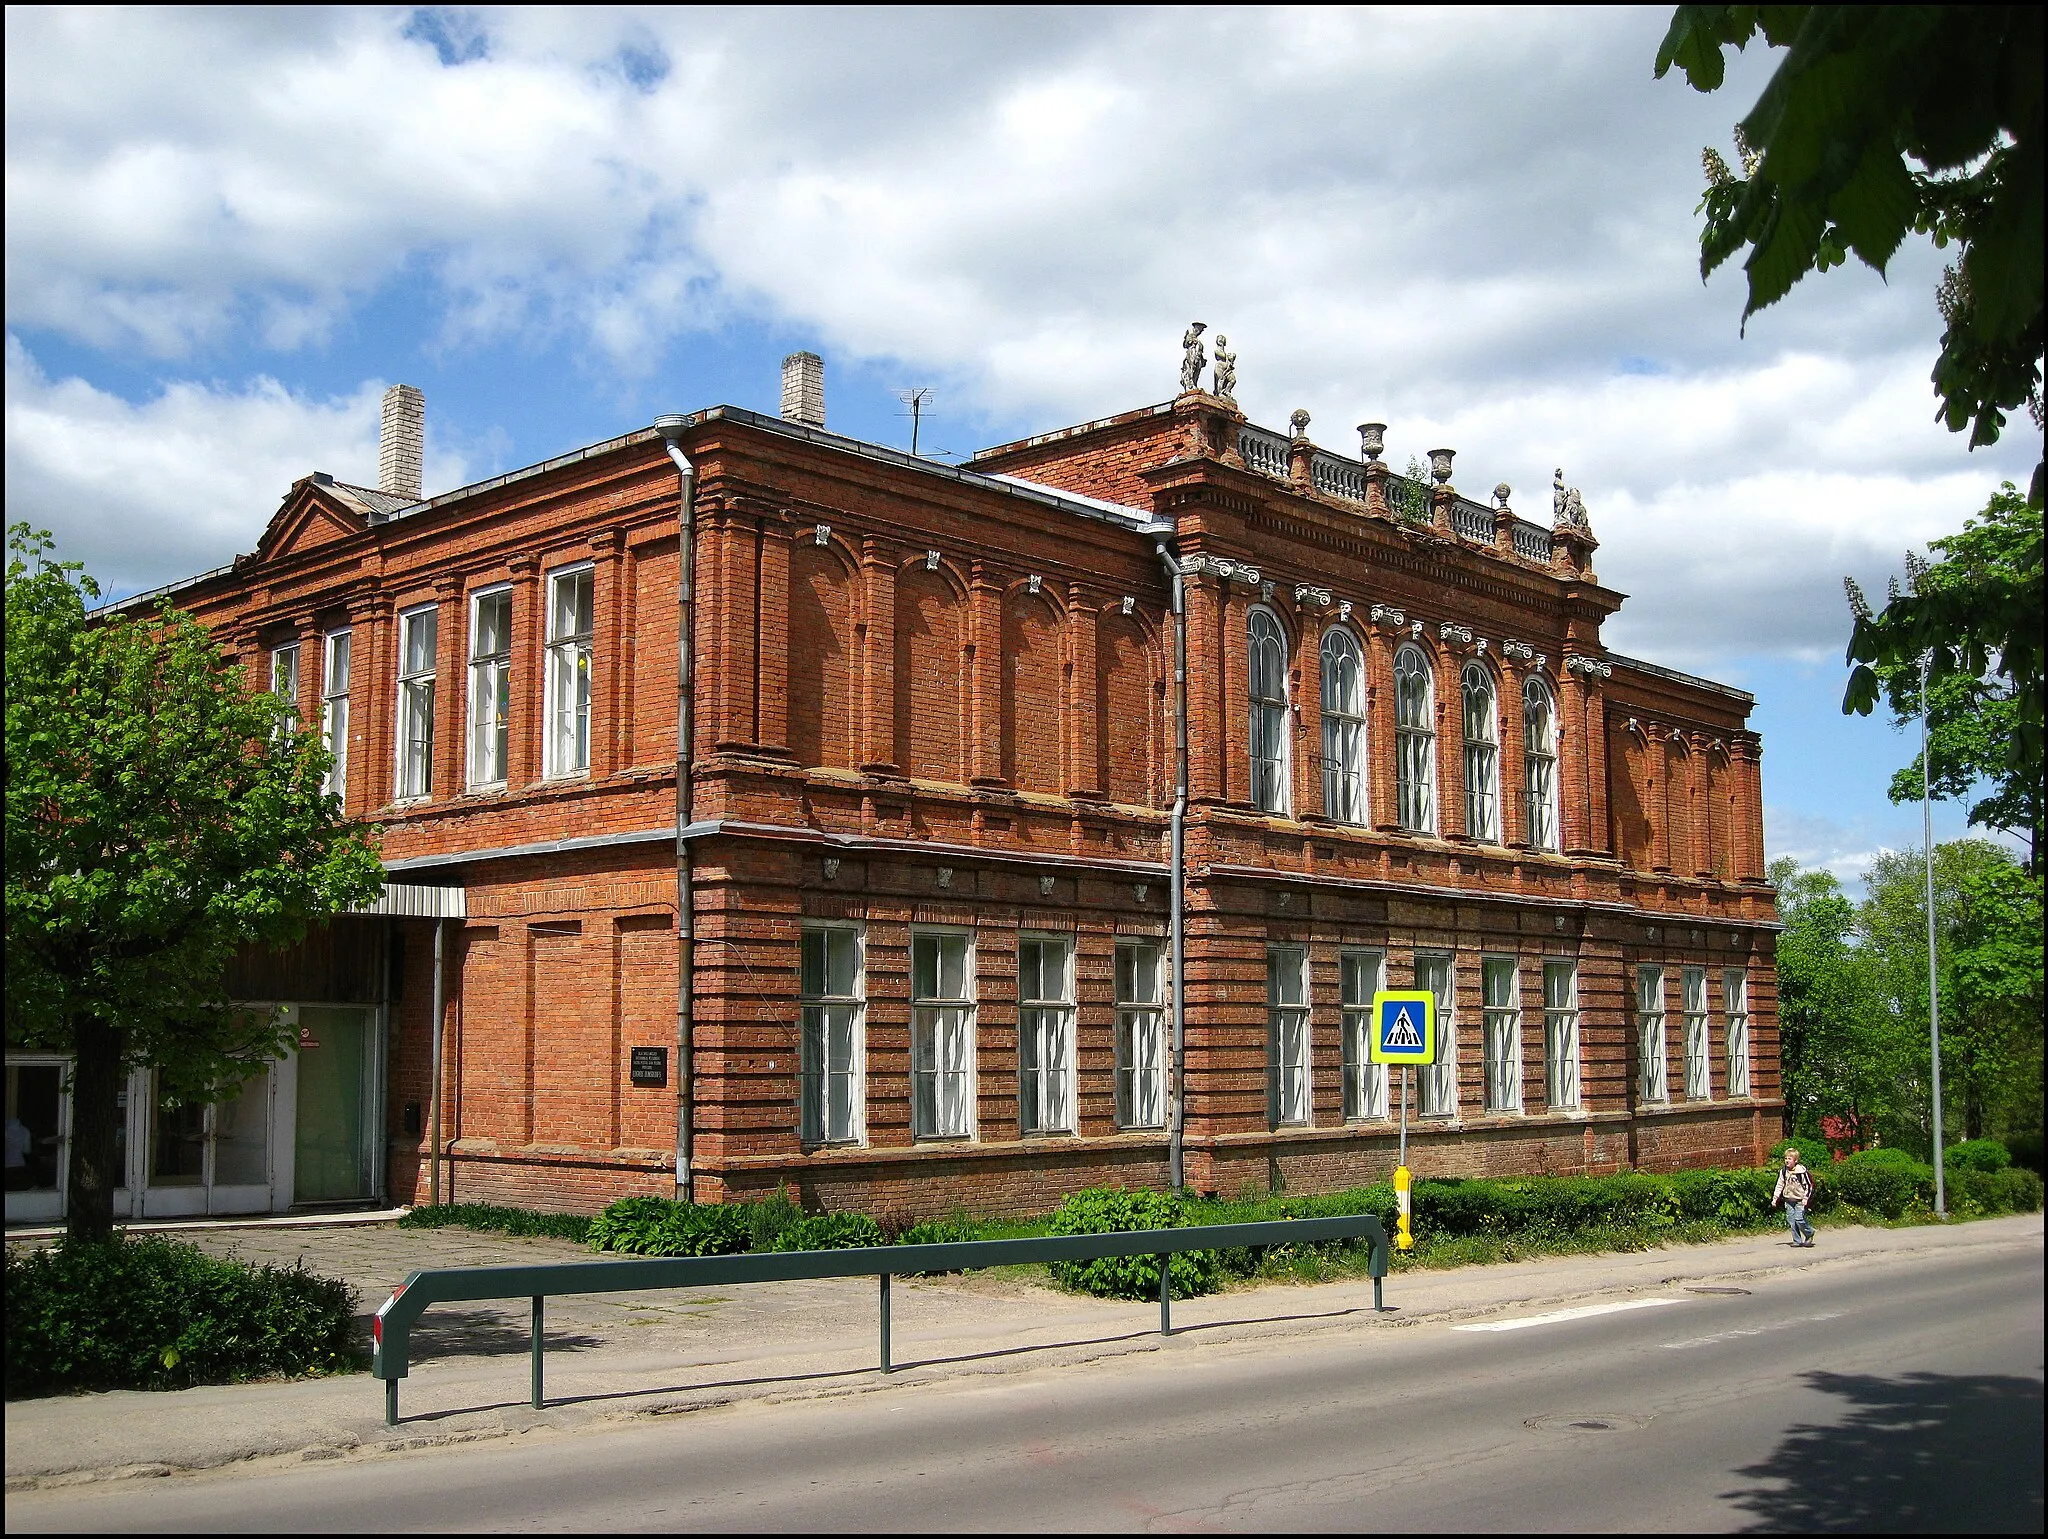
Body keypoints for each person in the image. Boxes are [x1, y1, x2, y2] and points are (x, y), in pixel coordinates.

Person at [1772, 1145, 1817, 1247]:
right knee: (1792, 1221)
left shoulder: (1801, 1172)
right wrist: (1775, 1198)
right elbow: (1780, 1185)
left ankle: (1809, 1233)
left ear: (1795, 1160)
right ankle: (1797, 1240)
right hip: (1789, 1199)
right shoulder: (1784, 1172)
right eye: (1785, 1158)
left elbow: (1809, 1185)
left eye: (1789, 1159)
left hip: (1800, 1200)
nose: (1787, 1161)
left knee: (1799, 1219)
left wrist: (1806, 1198)